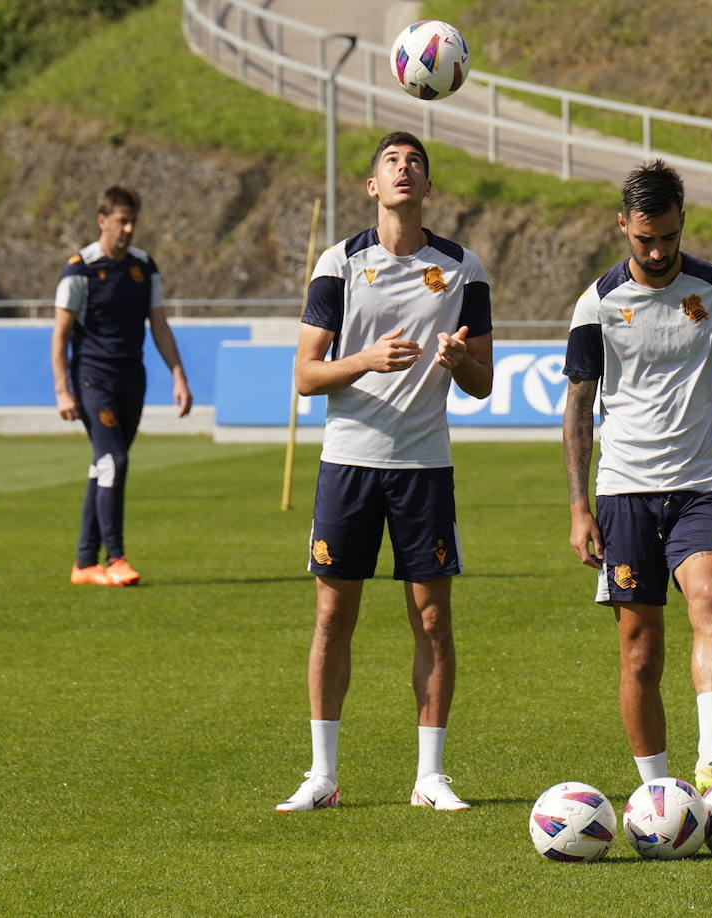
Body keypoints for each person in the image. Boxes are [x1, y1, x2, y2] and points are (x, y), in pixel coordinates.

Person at [276, 131, 494, 813]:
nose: (405, 170)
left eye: (416, 164)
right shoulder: (339, 263)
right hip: (349, 463)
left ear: (428, 189)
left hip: (424, 467)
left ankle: (430, 776)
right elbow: (307, 374)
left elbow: (484, 382)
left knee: (432, 621)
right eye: (393, 163)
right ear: (373, 186)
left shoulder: (463, 269)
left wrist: (460, 365)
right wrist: (365, 360)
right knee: (333, 616)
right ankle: (323, 775)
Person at [561, 159, 712, 793]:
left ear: (682, 225)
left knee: (710, 597)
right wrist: (578, 507)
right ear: (623, 226)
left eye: (668, 238)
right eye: (644, 238)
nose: (656, 250)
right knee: (641, 651)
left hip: (702, 486)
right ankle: (655, 790)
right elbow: (578, 409)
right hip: (623, 492)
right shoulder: (597, 304)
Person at [51, 185, 193, 587]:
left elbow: (160, 325)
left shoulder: (144, 267)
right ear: (102, 221)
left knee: (104, 466)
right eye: (121, 221)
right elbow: (60, 335)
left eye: (133, 222)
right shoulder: (79, 269)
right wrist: (63, 389)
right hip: (92, 380)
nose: (128, 229)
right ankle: (115, 558)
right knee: (115, 461)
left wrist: (178, 375)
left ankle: (84, 563)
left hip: (133, 379)